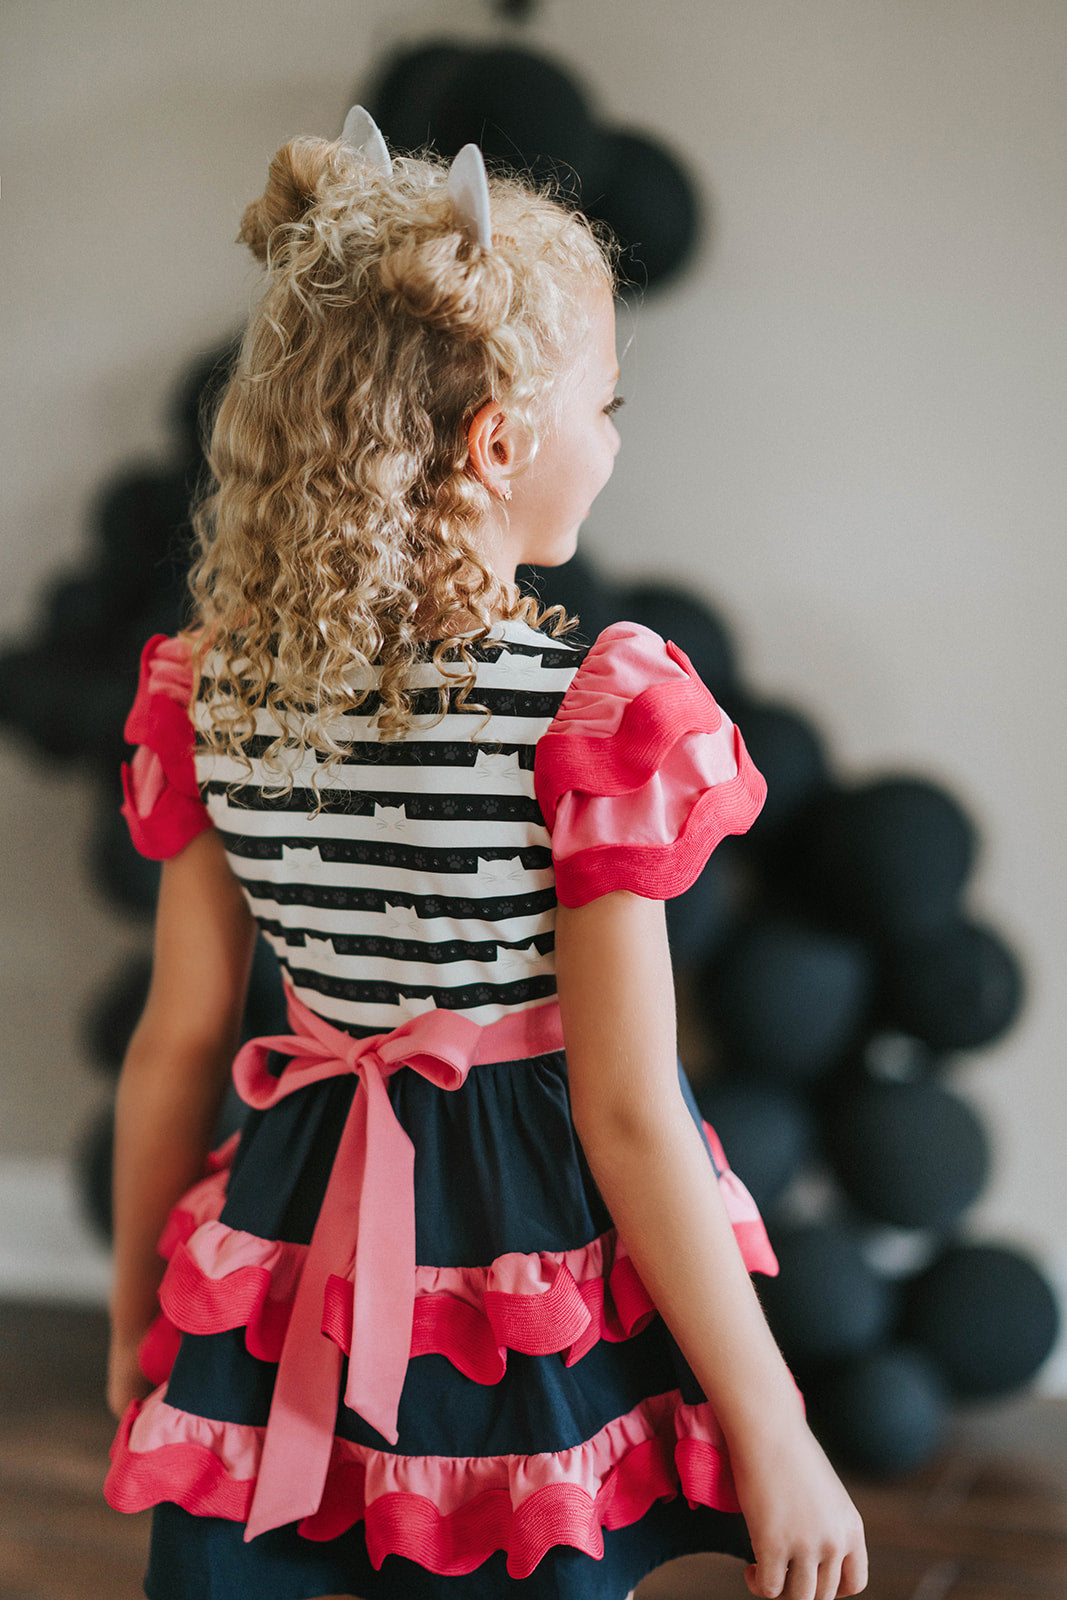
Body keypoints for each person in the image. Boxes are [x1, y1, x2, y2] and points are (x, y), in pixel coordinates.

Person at [103, 108, 867, 1600]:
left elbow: (177, 1039)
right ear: (497, 442)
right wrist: (774, 1428)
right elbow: (628, 1110)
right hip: (519, 1251)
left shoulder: (204, 693)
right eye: (608, 404)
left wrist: (141, 1317)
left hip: (290, 1229)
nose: (616, 440)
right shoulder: (595, 714)